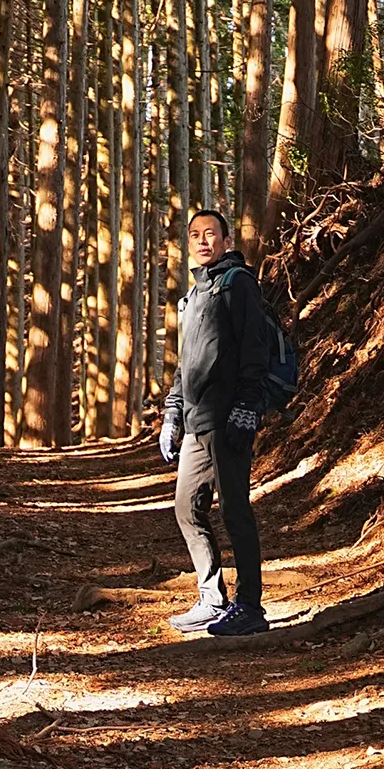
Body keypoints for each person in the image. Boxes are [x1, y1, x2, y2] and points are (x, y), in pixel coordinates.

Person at [159, 207, 271, 637]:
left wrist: (247, 407)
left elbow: (254, 352)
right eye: (195, 235)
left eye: (211, 234)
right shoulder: (195, 294)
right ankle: (212, 599)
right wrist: (172, 413)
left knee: (236, 511)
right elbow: (184, 366)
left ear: (226, 240)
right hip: (195, 422)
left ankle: (250, 606)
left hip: (229, 420)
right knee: (187, 508)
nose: (203, 240)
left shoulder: (238, 284)